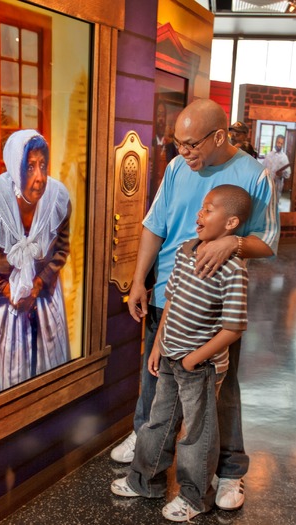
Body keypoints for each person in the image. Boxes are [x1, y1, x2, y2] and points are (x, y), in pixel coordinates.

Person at [110, 99, 279, 511]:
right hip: (170, 295)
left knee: (218, 395)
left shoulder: (255, 176)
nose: (182, 152)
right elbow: (156, 224)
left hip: (212, 308)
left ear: (218, 136)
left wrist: (232, 242)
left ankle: (230, 471)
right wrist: (138, 281)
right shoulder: (175, 169)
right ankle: (147, 445)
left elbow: (268, 241)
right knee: (155, 382)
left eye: (190, 144)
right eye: (177, 143)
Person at [111, 184, 252, 522]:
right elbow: (170, 301)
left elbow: (233, 327)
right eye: (201, 207)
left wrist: (194, 358)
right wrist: (158, 344)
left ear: (231, 223)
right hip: (171, 356)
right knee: (158, 421)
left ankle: (193, 497)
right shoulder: (186, 251)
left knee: (198, 435)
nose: (199, 215)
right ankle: (145, 480)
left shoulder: (234, 270)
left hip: (198, 366)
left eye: (208, 209)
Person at [0, 129, 71, 406]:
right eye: (30, 166)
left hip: (42, 303)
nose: (39, 177)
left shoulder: (56, 199)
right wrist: (10, 291)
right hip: (0, 311)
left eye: (43, 166)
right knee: (4, 389)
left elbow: (61, 249)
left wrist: (36, 285)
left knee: (45, 383)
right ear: (14, 168)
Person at [151, 100, 178, 199]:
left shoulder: (171, 146)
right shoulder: (151, 142)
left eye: (163, 115)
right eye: (158, 115)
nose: (161, 119)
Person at [263, 134, 291, 203]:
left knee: (275, 203)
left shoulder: (284, 158)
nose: (279, 145)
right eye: (278, 142)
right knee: (266, 203)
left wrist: (282, 174)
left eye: (281, 143)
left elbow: (288, 174)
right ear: (276, 142)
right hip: (268, 184)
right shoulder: (269, 155)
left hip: (277, 185)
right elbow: (263, 168)